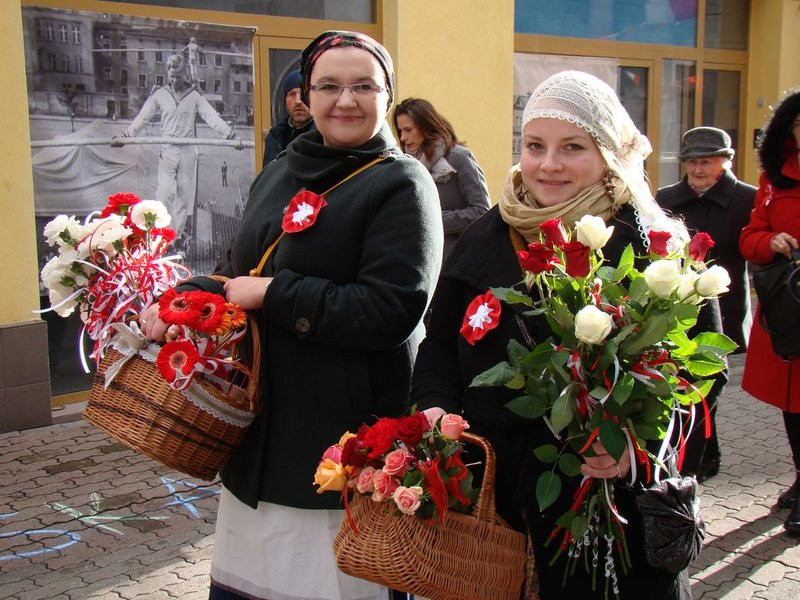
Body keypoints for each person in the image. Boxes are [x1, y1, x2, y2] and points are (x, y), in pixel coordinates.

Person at [139, 30, 443, 600]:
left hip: (339, 442)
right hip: (261, 434)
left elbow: (389, 309)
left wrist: (275, 295)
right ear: (306, 94)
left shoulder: (403, 184)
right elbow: (245, 271)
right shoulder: (280, 169)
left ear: (388, 95)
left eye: (363, 86)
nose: (345, 100)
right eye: (328, 86)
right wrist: (192, 295)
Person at [412, 71, 722, 599]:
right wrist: (436, 408)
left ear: (607, 153)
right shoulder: (488, 234)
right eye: (535, 145)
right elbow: (439, 340)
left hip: (607, 505)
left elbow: (699, 375)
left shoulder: (651, 242)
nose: (548, 164)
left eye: (572, 147)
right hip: (492, 500)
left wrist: (635, 444)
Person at [656, 126, 756, 482]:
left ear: (725, 162)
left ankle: (701, 453)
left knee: (712, 380)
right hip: (679, 309)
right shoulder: (666, 197)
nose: (698, 170)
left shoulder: (748, 198)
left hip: (725, 307)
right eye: (692, 162)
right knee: (684, 381)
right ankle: (700, 451)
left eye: (707, 162)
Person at [739, 88, 800, 534]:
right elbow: (750, 237)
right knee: (792, 403)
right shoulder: (774, 177)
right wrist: (770, 242)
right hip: (788, 308)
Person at [119, 53, 241, 240]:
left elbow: (211, 117)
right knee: (164, 193)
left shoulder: (194, 96)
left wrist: (231, 136)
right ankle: (163, 235)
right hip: (168, 150)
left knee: (183, 199)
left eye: (178, 76)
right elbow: (143, 117)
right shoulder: (160, 94)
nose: (174, 81)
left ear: (185, 74)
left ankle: (175, 238)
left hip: (188, 151)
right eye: (171, 76)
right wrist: (126, 136)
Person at [393, 98, 490, 261]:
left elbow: (481, 212)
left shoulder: (459, 157)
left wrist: (430, 220)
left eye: (408, 130)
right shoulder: (404, 165)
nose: (402, 137)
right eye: (400, 130)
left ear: (426, 126)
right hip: (415, 260)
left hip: (454, 261)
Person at [262, 69, 315, 167]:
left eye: (304, 94)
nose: (298, 101)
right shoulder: (274, 138)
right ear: (285, 101)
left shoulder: (325, 139)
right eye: (292, 94)